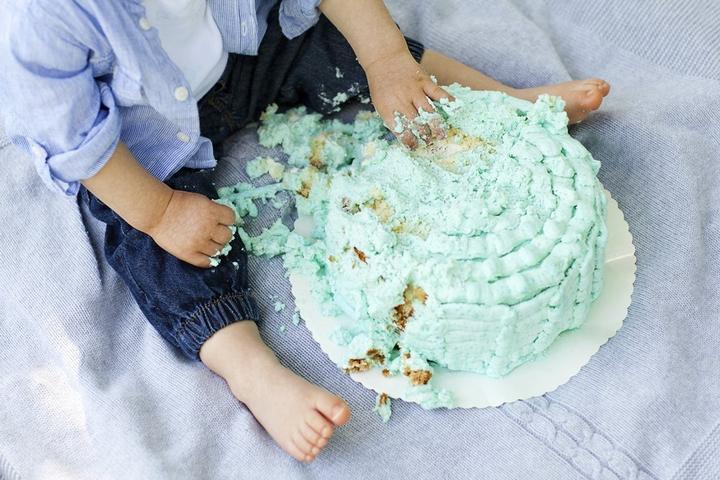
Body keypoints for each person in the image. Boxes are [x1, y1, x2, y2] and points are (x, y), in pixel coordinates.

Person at [0, 0, 610, 462]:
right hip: (142, 140)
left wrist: (385, 60)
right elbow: (77, 143)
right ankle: (250, 370)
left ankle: (509, 102)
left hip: (246, 49)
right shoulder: (40, 22)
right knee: (155, 248)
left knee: (353, 50)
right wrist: (160, 212)